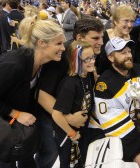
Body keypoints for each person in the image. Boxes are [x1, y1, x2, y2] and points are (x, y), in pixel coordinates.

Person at [0, 16, 65, 168]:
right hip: (0, 127)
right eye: (58, 43)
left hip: (21, 129)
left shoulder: (43, 63)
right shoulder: (13, 65)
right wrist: (16, 114)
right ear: (41, 43)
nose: (63, 48)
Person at [35, 17, 104, 168]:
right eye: (95, 38)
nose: (101, 42)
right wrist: (67, 117)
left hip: (75, 118)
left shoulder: (87, 53)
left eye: (102, 37)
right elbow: (41, 93)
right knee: (50, 153)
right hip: (52, 115)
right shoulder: (62, 57)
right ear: (79, 38)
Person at [92, 37, 140, 167]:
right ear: (111, 58)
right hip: (112, 139)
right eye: (123, 53)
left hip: (137, 132)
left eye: (129, 52)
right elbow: (114, 124)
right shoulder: (105, 84)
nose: (128, 56)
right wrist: (135, 152)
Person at [52, 41, 95, 168]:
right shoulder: (70, 84)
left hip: (81, 133)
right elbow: (56, 114)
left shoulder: (88, 76)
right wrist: (72, 133)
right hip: (68, 135)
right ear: (75, 61)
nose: (92, 61)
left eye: (93, 57)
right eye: (87, 59)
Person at [98, 4, 136, 75]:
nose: (130, 25)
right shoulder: (103, 37)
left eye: (132, 21)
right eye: (126, 21)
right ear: (115, 21)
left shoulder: (132, 38)